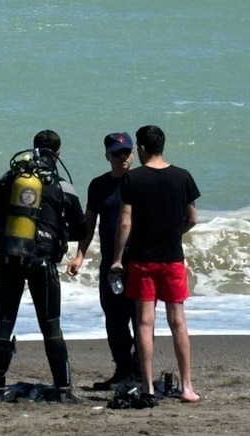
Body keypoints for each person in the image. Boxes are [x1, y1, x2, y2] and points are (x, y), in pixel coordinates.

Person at [0, 129, 87, 403]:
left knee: (3, 325)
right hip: (43, 262)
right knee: (51, 326)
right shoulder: (62, 185)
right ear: (58, 153)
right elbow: (80, 228)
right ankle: (64, 390)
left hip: (10, 261)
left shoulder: (9, 179)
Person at [108, 125, 201, 403]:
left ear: (142, 149)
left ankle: (148, 387)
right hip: (172, 258)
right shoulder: (182, 176)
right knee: (178, 322)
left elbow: (125, 222)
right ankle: (187, 387)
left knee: (145, 323)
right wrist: (175, 234)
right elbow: (192, 218)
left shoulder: (132, 179)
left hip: (142, 260)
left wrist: (116, 259)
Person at [66, 132, 139, 390]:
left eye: (126, 152)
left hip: (139, 259)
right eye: (117, 153)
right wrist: (79, 255)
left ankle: (140, 372)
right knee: (114, 319)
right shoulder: (98, 185)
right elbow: (89, 222)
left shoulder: (141, 181)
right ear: (107, 155)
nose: (123, 157)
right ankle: (122, 370)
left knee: (141, 317)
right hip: (111, 262)